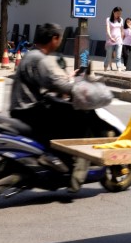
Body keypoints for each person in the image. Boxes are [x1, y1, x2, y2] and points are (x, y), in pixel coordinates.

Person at [9, 23, 92, 190]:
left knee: (60, 110)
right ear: (54, 39)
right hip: (29, 110)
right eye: (59, 38)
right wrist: (77, 89)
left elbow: (49, 81)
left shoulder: (30, 55)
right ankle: (64, 164)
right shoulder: (40, 59)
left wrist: (66, 79)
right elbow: (55, 83)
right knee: (79, 118)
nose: (59, 42)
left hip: (20, 108)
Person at [105, 7, 124, 71]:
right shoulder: (108, 19)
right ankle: (105, 68)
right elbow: (107, 29)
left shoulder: (121, 19)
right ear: (113, 12)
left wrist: (122, 39)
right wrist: (110, 37)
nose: (119, 15)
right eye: (117, 13)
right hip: (110, 41)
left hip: (119, 41)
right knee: (109, 56)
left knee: (118, 56)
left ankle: (119, 70)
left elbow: (122, 30)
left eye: (120, 13)